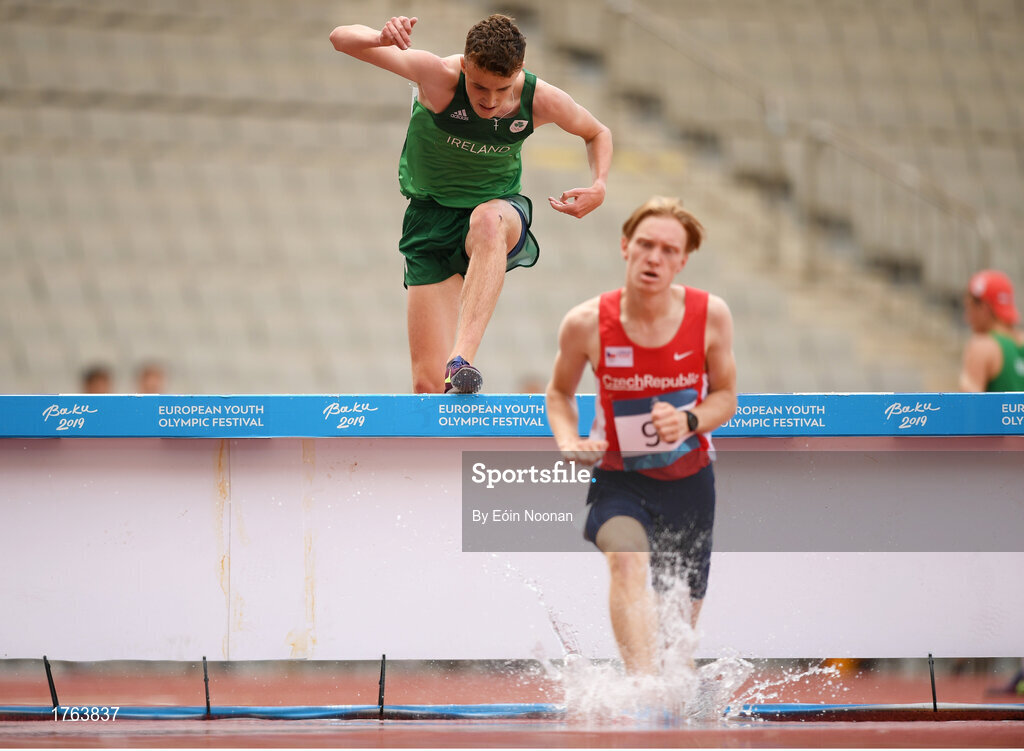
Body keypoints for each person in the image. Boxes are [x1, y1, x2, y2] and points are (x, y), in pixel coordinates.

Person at [330, 14, 612, 394]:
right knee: (428, 388)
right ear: (464, 65)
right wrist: (380, 38)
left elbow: (597, 132)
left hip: (498, 209)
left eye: (502, 88)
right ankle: (449, 387)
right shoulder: (437, 76)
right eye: (479, 86)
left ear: (520, 71)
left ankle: (461, 360)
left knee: (488, 221)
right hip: (430, 217)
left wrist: (599, 184)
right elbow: (340, 39)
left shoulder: (540, 99)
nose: (491, 101)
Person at [545, 196, 737, 675]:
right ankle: (641, 687)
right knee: (626, 561)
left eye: (669, 250)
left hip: (690, 482)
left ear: (683, 261)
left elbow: (727, 397)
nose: (655, 257)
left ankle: (670, 686)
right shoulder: (586, 323)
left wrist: (690, 420)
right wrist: (568, 440)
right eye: (646, 245)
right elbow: (559, 394)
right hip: (619, 480)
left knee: (679, 640)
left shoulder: (711, 316)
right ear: (625, 246)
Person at [959, 269, 1024, 392]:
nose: (966, 318)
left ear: (984, 308)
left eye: (969, 308)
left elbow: (969, 406)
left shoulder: (982, 347)